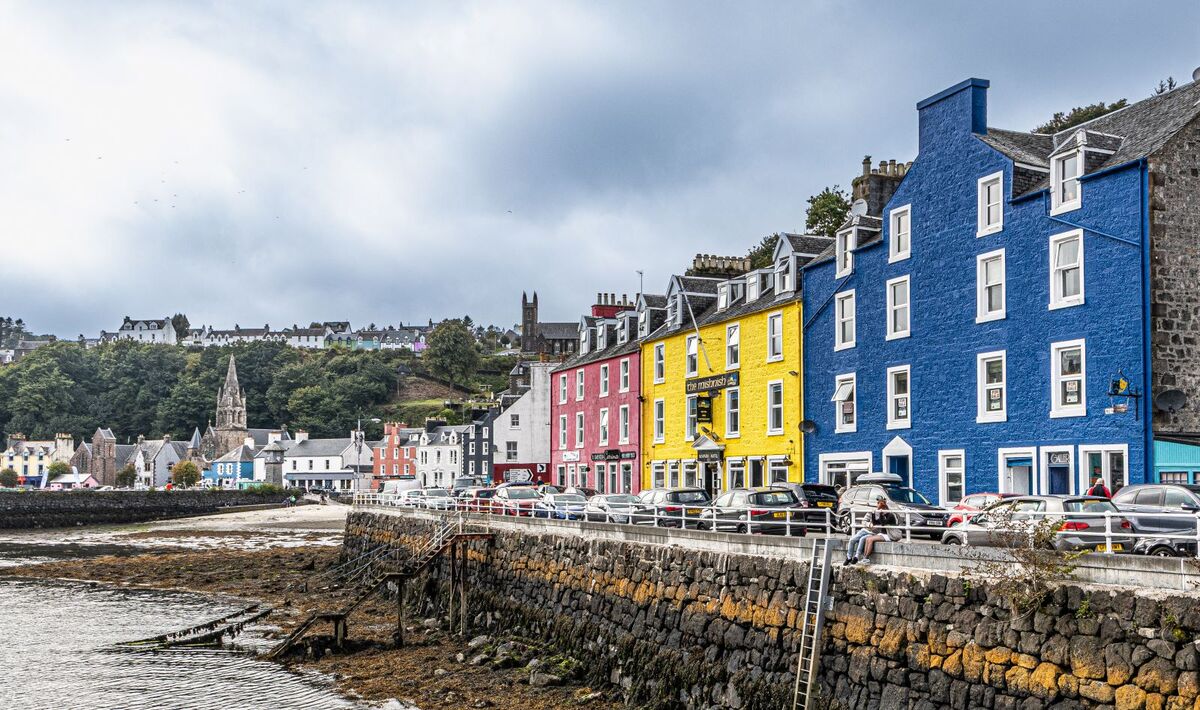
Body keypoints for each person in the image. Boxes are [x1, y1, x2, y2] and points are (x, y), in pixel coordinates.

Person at [844, 495, 898, 565]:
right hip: (867, 530)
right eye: (878, 503)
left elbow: (882, 523)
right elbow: (870, 522)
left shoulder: (889, 515)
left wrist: (881, 514)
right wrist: (871, 520)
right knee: (852, 540)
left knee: (864, 539)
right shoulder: (873, 511)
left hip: (880, 533)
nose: (878, 506)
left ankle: (859, 557)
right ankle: (850, 557)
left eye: (880, 504)